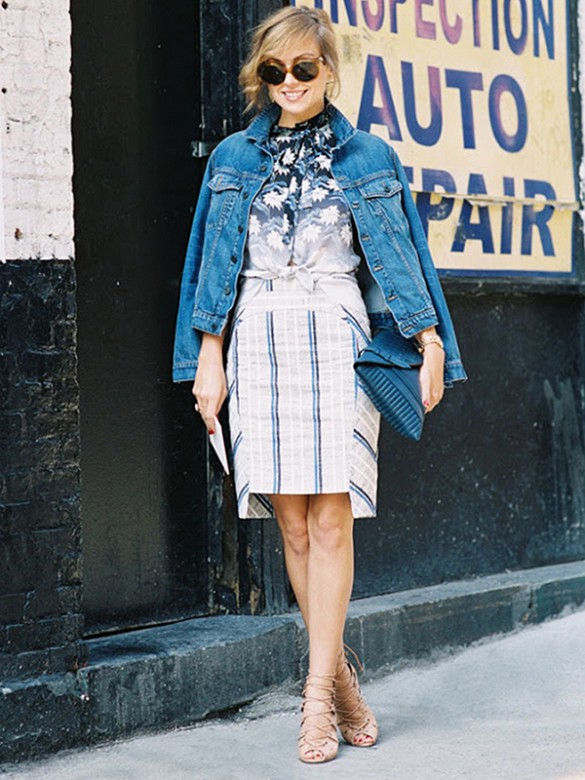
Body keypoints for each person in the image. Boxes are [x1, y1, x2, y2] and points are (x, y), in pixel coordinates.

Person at [173, 6, 466, 765]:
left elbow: (404, 257)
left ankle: (313, 697)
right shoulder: (231, 158)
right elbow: (209, 266)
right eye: (275, 70)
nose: (290, 82)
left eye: (304, 68)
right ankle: (339, 680)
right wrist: (207, 359)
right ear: (261, 76)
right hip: (258, 335)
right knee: (294, 527)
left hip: (338, 334)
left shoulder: (369, 156)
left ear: (329, 71)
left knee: (332, 519)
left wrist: (430, 342)